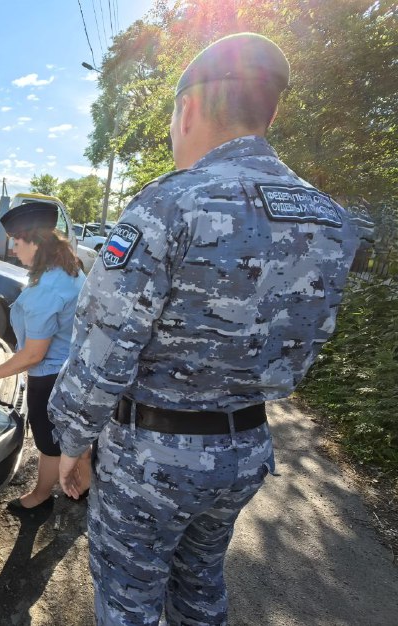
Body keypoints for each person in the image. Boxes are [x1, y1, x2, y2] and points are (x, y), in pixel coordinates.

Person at [48, 33, 373, 625]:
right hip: (244, 449)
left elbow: (104, 349)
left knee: (129, 598)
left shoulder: (170, 204)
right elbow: (301, 349)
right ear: (269, 113)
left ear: (188, 109)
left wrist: (71, 442)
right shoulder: (334, 221)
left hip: (151, 458)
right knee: (199, 586)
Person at [0, 201, 91, 512]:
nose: (12, 249)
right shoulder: (68, 267)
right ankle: (83, 486)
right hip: (74, 367)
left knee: (50, 444)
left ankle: (39, 497)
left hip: (50, 377)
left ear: (34, 242)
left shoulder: (46, 289)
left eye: (16, 241)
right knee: (74, 434)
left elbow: (34, 354)